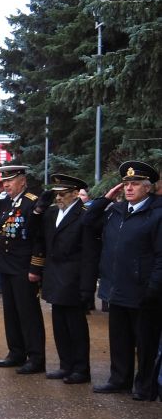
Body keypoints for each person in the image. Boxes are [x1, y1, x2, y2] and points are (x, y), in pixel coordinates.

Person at [84, 161, 162, 400]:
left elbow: (161, 255)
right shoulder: (116, 211)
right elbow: (87, 225)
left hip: (143, 290)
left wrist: (154, 287)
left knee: (145, 342)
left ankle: (144, 386)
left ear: (147, 188)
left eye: (135, 184)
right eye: (126, 184)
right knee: (119, 339)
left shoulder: (157, 213)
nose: (129, 188)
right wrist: (105, 199)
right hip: (117, 287)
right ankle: (119, 380)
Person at [28, 174, 99, 384]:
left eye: (63, 194)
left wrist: (87, 287)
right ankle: (65, 365)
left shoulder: (84, 214)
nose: (58, 198)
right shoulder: (51, 213)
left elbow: (89, 255)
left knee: (76, 326)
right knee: (59, 324)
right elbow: (35, 233)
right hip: (54, 275)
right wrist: (38, 209)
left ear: (76, 194)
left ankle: (81, 368)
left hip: (74, 279)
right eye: (56, 194)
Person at [0, 165, 47, 374]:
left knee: (28, 314)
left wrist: (35, 268)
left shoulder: (32, 202)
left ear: (22, 181)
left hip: (23, 267)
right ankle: (16, 352)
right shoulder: (7, 202)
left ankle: (36, 357)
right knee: (11, 313)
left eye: (10, 181)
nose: (6, 185)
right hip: (6, 266)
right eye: (4, 181)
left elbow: (38, 238)